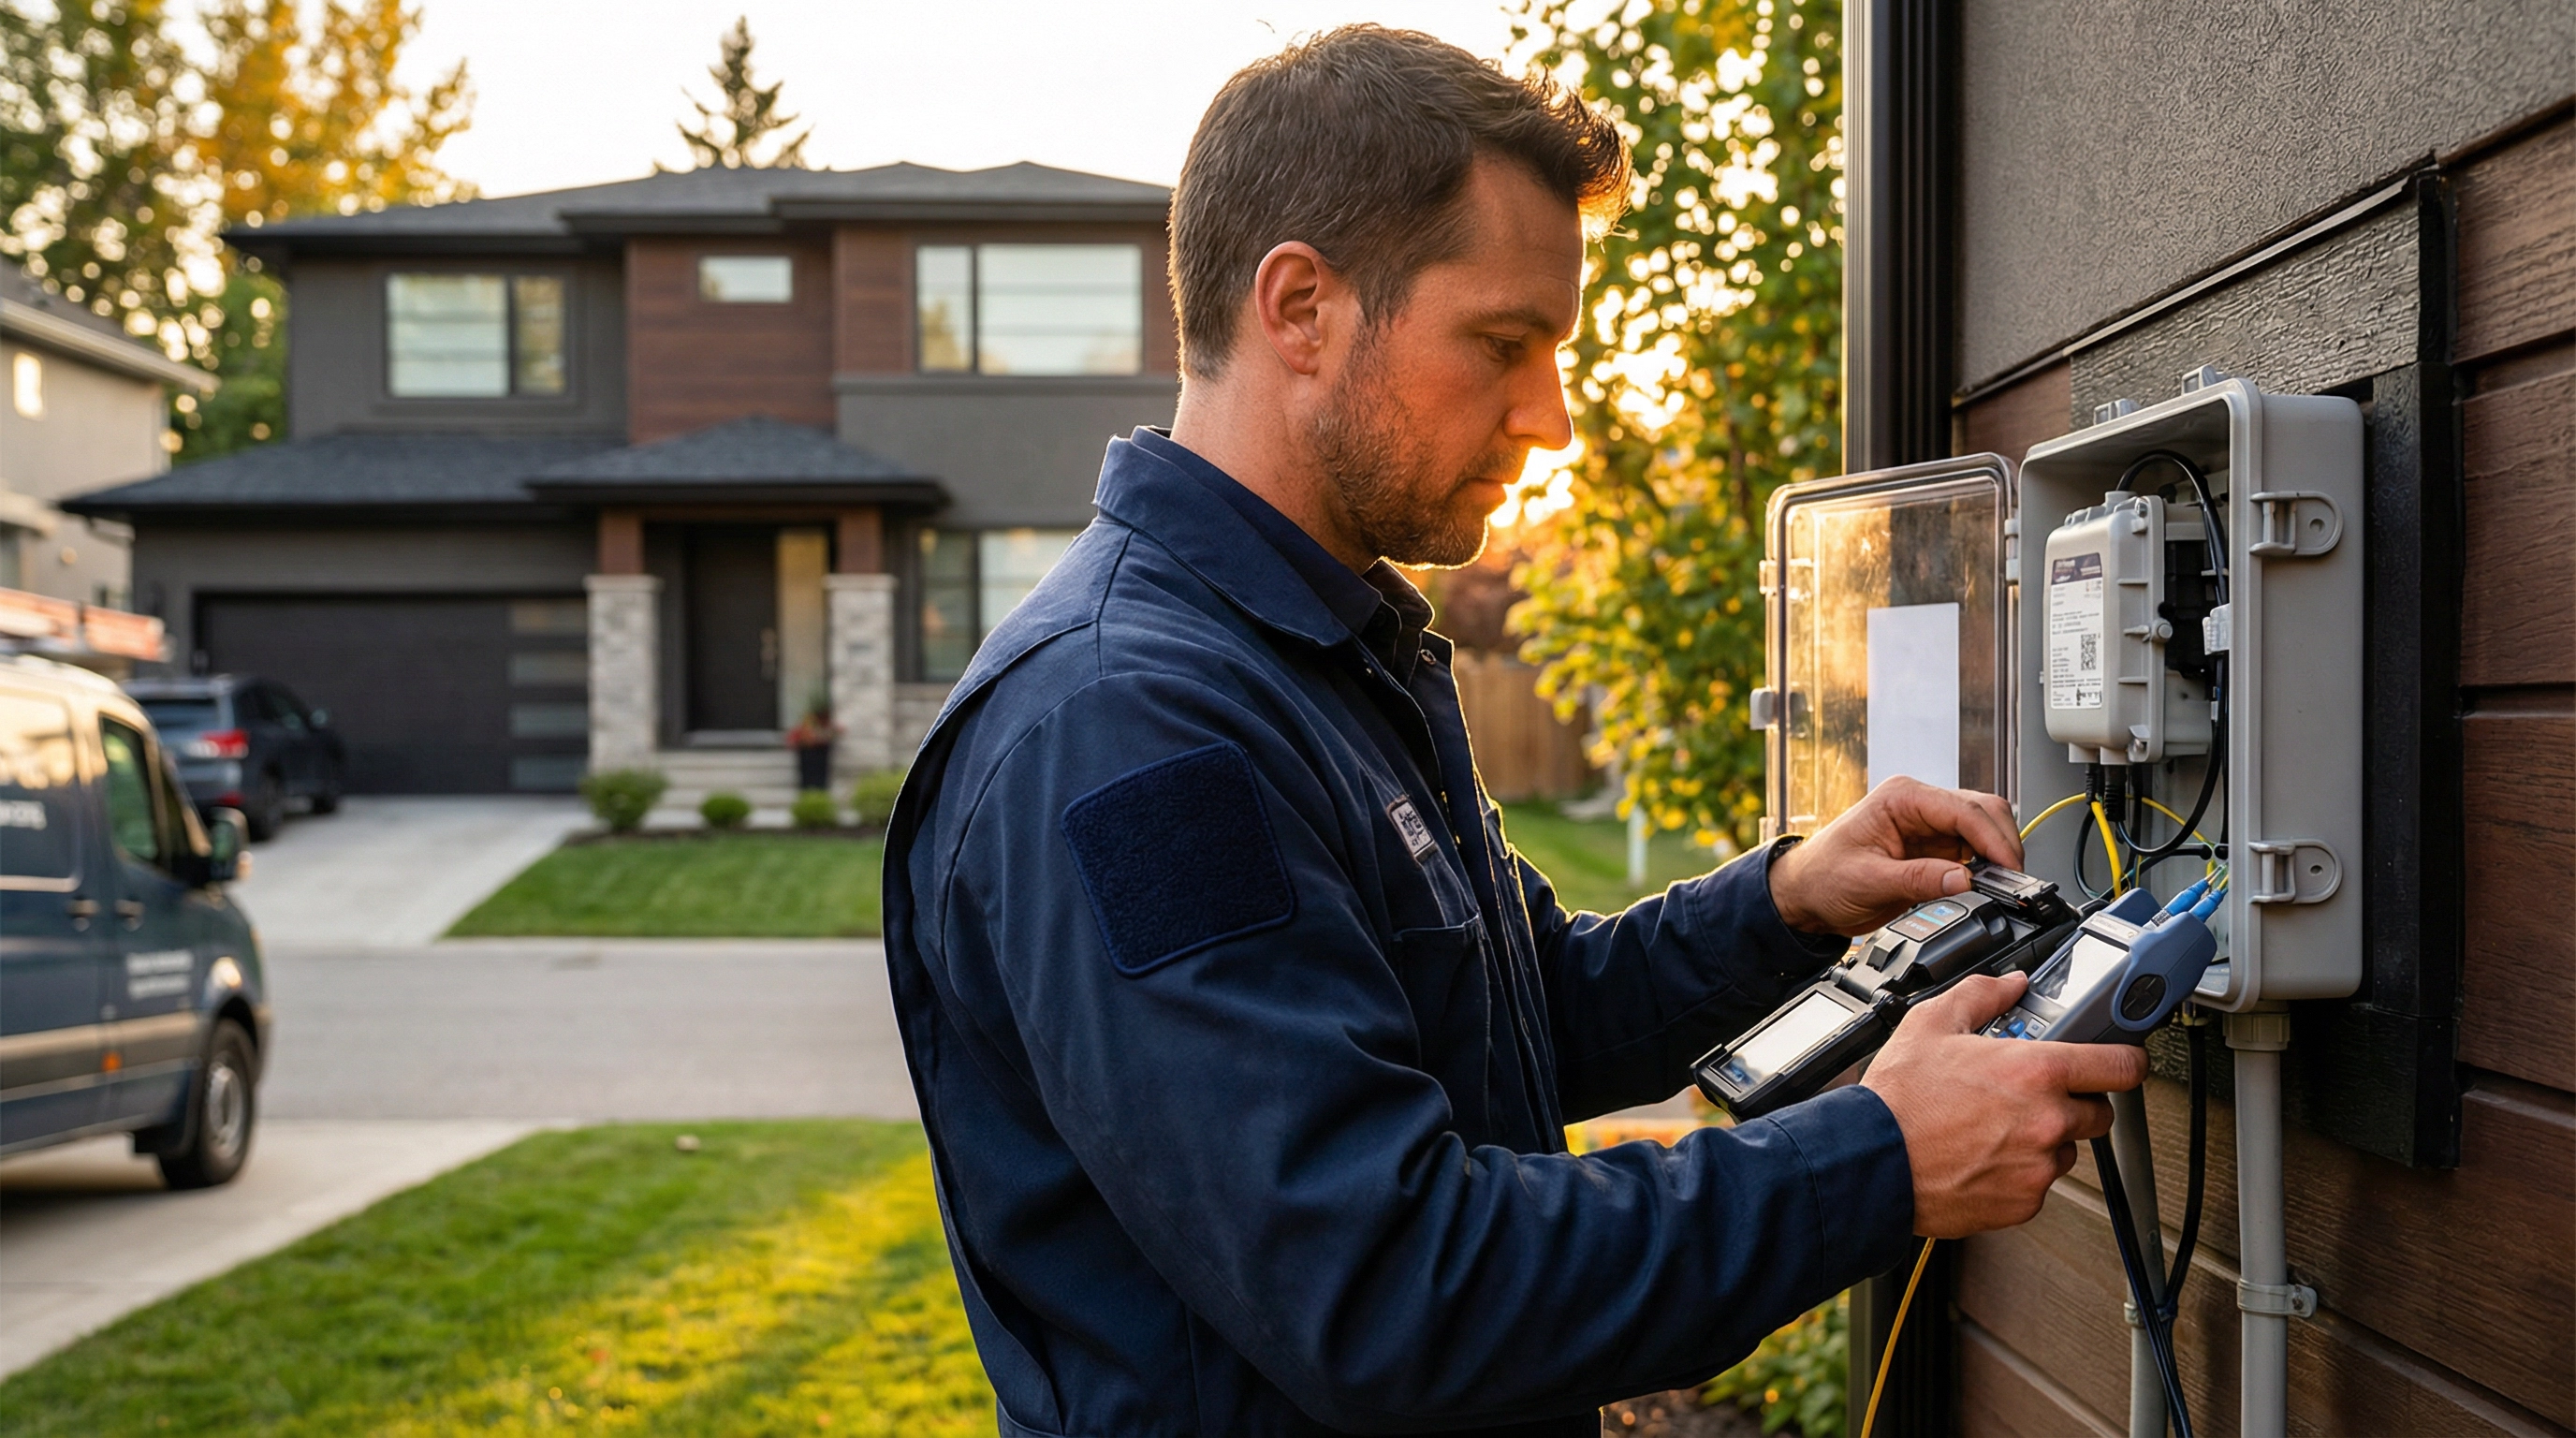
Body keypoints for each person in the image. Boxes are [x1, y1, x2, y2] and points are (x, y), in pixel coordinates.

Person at [882, 25, 2146, 1436]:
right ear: (1299, 308)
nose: (1551, 420)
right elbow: (1391, 1286)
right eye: (1503, 343)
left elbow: (1523, 1015)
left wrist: (1789, 900)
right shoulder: (1130, 728)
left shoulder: (1321, 656)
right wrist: (1878, 1160)